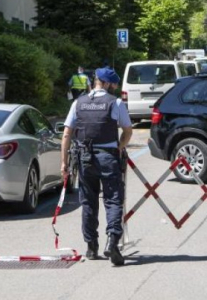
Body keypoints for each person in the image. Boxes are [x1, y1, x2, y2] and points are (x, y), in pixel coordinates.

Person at [60, 67, 133, 266]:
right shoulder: (115, 103)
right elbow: (127, 131)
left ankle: (91, 246)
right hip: (108, 156)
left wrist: (64, 163)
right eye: (114, 84)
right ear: (107, 83)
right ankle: (112, 241)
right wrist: (119, 147)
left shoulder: (78, 103)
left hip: (85, 158)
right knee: (113, 200)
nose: (115, 88)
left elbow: (66, 134)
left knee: (88, 202)